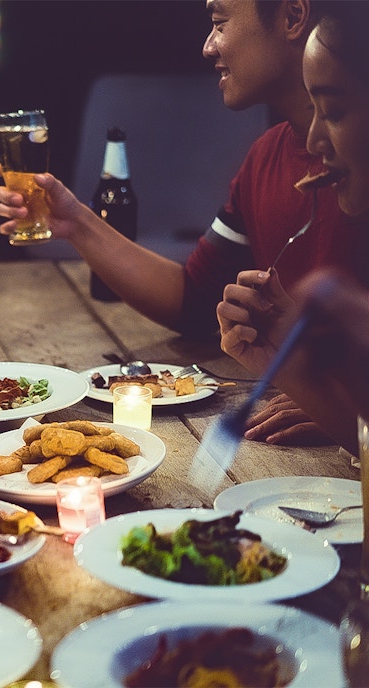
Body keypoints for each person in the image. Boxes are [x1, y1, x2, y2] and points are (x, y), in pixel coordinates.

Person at [0, 0, 364, 446]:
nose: (208, 46)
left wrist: (339, 402)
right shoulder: (266, 157)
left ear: (292, 17)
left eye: (219, 22)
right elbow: (195, 299)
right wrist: (74, 221)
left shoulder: (356, 171)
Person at [216, 1, 369, 455]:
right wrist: (290, 367)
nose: (313, 142)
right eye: (313, 110)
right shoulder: (264, 157)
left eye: (335, 112)